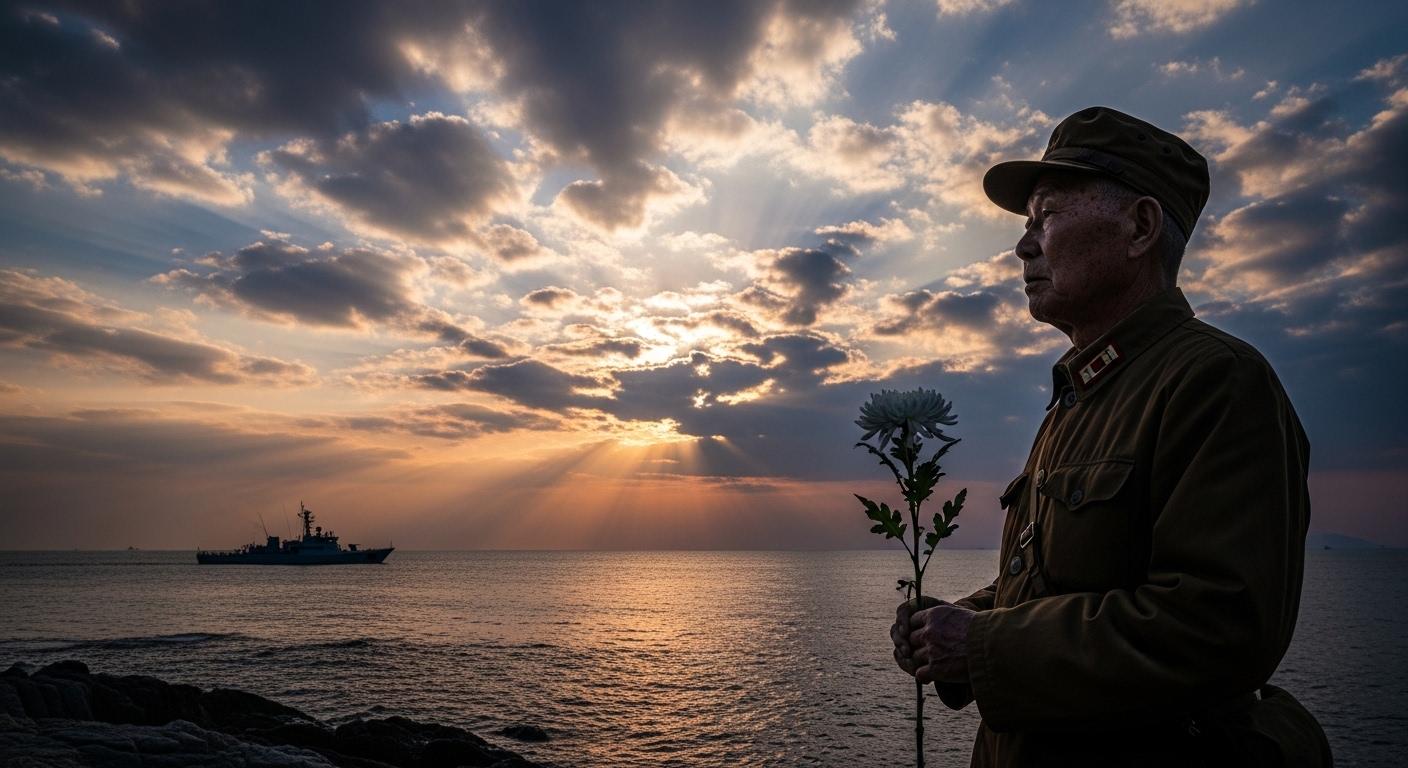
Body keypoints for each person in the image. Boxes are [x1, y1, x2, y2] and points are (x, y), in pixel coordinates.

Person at [890, 106, 1331, 766]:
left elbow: (1216, 630)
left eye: (1047, 216)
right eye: (1026, 224)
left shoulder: (1217, 381)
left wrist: (982, 646)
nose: (1023, 245)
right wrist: (955, 623)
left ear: (1140, 227)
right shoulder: (1085, 391)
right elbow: (1064, 585)